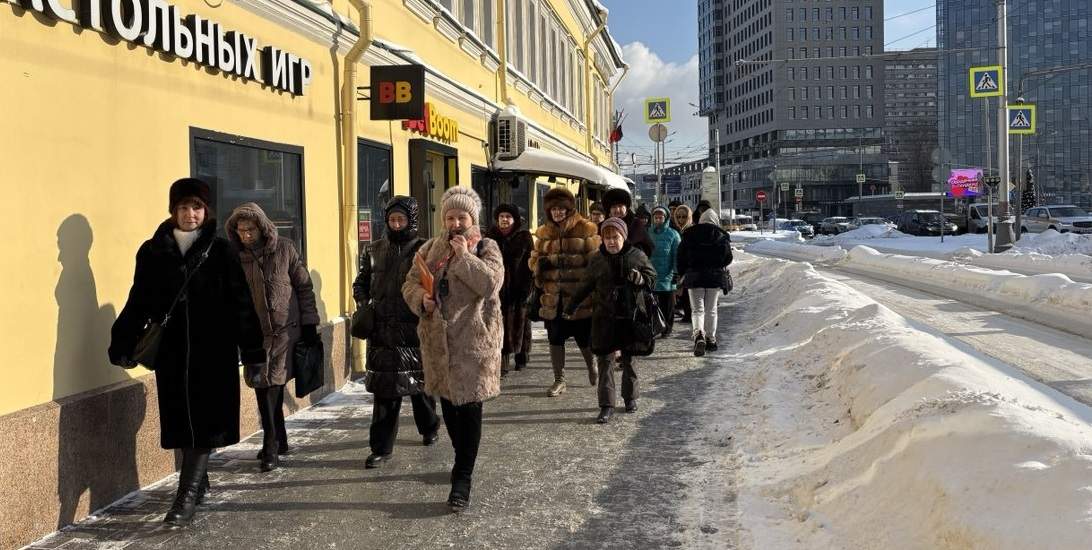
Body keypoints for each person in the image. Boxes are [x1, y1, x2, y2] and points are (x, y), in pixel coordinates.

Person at [109, 178, 265, 526]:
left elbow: (241, 304)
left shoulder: (222, 251)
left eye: (197, 207)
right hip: (173, 354)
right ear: (173, 210)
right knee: (182, 422)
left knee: (206, 421)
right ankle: (199, 478)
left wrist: (254, 353)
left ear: (206, 211)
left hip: (214, 352)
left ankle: (186, 495)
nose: (190, 214)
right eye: (183, 207)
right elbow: (138, 301)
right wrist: (123, 342)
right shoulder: (152, 251)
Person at [403, 186, 503, 511]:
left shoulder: (486, 247)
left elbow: (490, 285)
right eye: (450, 217)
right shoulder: (430, 247)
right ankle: (462, 459)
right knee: (450, 408)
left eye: (462, 217)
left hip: (473, 343)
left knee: (470, 410)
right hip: (439, 344)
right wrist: (422, 299)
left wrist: (464, 257)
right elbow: (410, 282)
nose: (456, 223)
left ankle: (462, 477)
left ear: (472, 218)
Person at [225, 203, 320, 473]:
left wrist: (310, 323)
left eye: (251, 229)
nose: (246, 235)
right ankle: (279, 438)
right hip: (253, 335)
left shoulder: (285, 249)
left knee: (272, 386)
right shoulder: (235, 258)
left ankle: (270, 444)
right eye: (241, 230)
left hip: (284, 333)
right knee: (261, 385)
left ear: (262, 228)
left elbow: (304, 287)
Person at [353, 196, 440, 469]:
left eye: (401, 219)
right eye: (392, 219)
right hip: (382, 331)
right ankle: (380, 448)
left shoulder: (424, 248)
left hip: (413, 328)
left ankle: (430, 427)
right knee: (385, 391)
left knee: (419, 386)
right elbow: (361, 282)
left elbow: (433, 284)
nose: (397, 224)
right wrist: (364, 302)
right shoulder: (373, 249)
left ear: (411, 220)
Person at [564, 218, 656, 424]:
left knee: (629, 360)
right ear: (602, 240)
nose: (612, 241)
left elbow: (652, 277)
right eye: (607, 238)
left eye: (616, 237)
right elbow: (585, 285)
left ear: (624, 237)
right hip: (604, 317)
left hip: (630, 317)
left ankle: (630, 398)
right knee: (605, 361)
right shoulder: (597, 259)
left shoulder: (637, 255)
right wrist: (571, 307)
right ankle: (606, 405)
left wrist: (641, 279)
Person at [528, 187, 600, 396]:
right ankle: (559, 380)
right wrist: (540, 265)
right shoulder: (543, 233)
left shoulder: (585, 229)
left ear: (569, 209)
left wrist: (560, 260)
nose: (557, 213)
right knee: (555, 339)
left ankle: (592, 365)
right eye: (553, 209)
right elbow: (533, 261)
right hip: (553, 298)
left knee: (583, 339)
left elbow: (596, 264)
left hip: (579, 299)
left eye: (561, 209)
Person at [485, 203, 534, 377]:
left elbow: (531, 264)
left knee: (521, 323)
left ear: (515, 219)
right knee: (499, 324)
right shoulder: (490, 237)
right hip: (497, 288)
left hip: (519, 288)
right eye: (501, 216)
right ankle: (502, 363)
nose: (504, 220)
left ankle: (522, 356)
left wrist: (527, 288)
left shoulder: (524, 237)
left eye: (508, 217)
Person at [677, 209, 733, 357]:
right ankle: (711, 339)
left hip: (694, 277)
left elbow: (680, 257)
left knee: (697, 310)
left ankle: (699, 335)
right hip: (714, 277)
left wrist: (683, 273)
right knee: (711, 310)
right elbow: (728, 258)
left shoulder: (689, 234)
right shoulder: (721, 235)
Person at [648, 206, 681, 338]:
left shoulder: (673, 234)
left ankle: (667, 328)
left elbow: (677, 255)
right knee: (652, 304)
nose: (658, 219)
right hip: (651, 274)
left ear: (666, 218)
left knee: (667, 305)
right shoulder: (648, 232)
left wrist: (676, 273)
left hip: (667, 275)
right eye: (656, 217)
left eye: (660, 217)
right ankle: (655, 326)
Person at [601, 188, 654, 258]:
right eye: (614, 207)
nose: (617, 210)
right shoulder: (602, 226)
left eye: (620, 206)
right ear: (609, 210)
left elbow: (649, 247)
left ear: (626, 207)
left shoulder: (636, 224)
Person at [672, 204, 694, 324]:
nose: (681, 220)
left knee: (688, 293)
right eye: (678, 217)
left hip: (690, 268)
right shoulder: (675, 231)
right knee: (682, 292)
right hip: (678, 267)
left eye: (684, 217)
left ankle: (690, 315)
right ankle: (687, 314)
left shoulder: (693, 231)